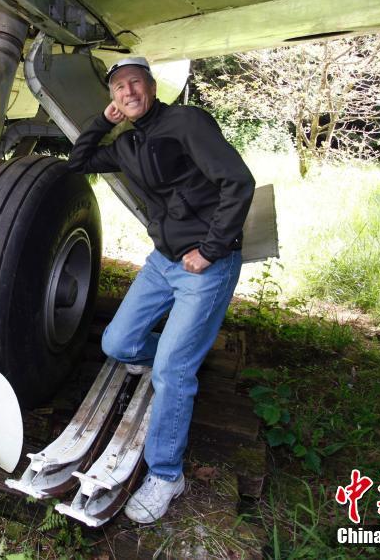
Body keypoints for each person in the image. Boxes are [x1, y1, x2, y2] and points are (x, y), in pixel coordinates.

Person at [67, 57, 255, 523]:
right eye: (117, 88)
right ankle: (181, 354)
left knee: (171, 371)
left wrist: (211, 250)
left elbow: (239, 182)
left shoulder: (185, 122)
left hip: (203, 266)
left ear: (152, 86)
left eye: (134, 83)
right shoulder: (128, 142)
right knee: (118, 343)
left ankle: (168, 475)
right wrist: (101, 123)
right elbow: (79, 162)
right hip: (162, 262)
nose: (127, 92)